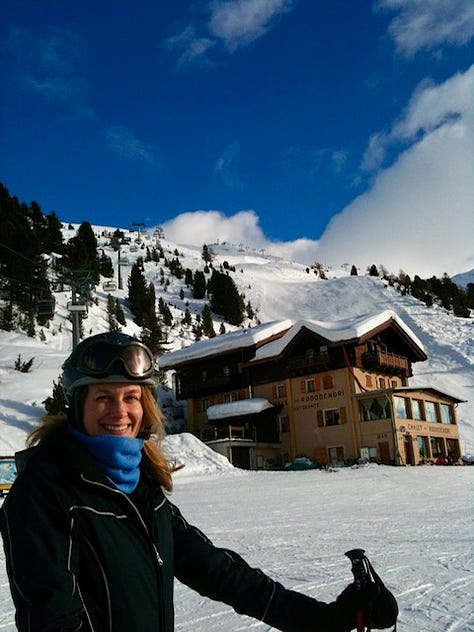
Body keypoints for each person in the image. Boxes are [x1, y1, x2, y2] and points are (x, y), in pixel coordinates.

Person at [0, 332, 397, 631]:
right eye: (103, 397)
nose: (118, 411)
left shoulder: (142, 491)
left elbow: (219, 572)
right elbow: (53, 621)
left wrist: (323, 619)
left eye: (131, 398)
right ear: (78, 406)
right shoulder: (45, 493)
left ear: (146, 407)